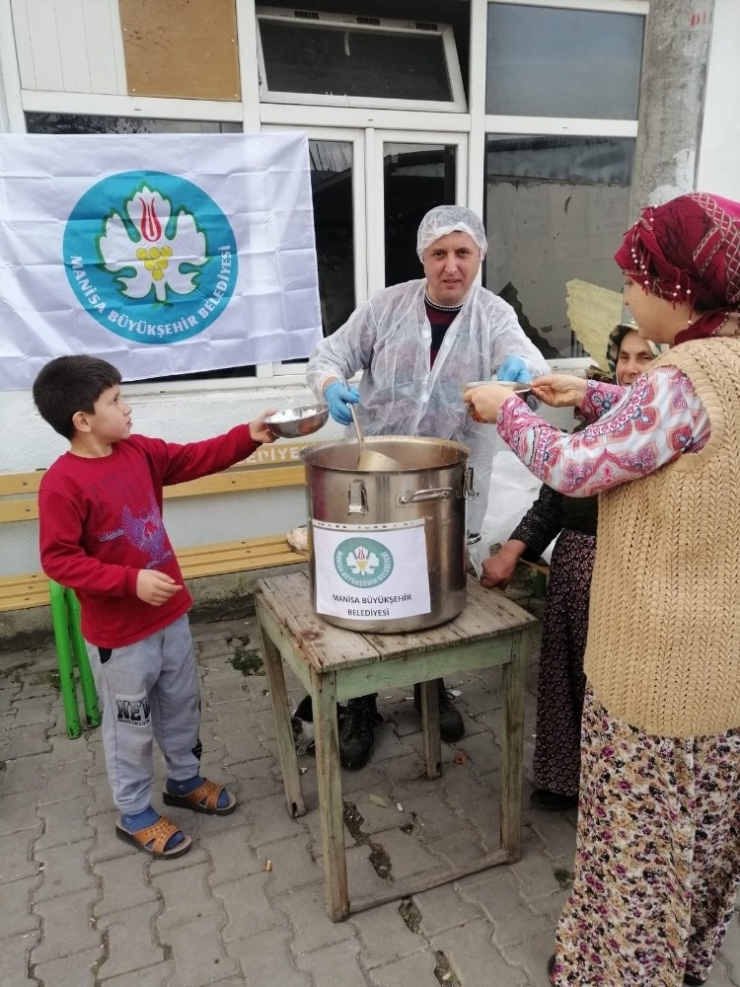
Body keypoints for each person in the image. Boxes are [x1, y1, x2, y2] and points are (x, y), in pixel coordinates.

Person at [464, 192, 740, 987]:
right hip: (721, 677)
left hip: (656, 678)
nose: (625, 294)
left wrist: (507, 408)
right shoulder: (720, 367)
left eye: (635, 278)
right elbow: (686, 436)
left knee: (636, 858)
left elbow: (574, 467)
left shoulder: (679, 378)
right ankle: (675, 965)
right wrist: (586, 393)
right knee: (701, 849)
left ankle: (617, 974)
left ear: (678, 289)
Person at [306, 204, 549, 769]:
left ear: (480, 256)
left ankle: (430, 687)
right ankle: (360, 703)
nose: (451, 266)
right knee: (372, 590)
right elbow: (331, 352)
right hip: (376, 479)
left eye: (463, 253)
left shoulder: (494, 316)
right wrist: (328, 384)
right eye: (439, 253)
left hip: (450, 481)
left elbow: (525, 359)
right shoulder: (388, 307)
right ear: (423, 258)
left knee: (440, 591)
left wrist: (521, 374)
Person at [33, 355, 277, 860]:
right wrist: (128, 582)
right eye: (115, 400)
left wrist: (249, 434)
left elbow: (194, 458)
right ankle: (134, 810)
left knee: (181, 704)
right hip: (119, 635)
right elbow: (59, 560)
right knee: (130, 723)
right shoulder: (63, 483)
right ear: (82, 420)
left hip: (170, 617)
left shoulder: (138, 451)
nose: (128, 408)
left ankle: (184, 781)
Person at [481, 324, 657, 811]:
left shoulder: (665, 435)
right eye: (625, 357)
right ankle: (565, 780)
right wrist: (513, 550)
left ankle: (616, 796)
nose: (632, 368)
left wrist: (509, 413)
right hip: (573, 572)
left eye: (647, 357)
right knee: (565, 683)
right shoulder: (594, 425)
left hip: (628, 578)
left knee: (613, 692)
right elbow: (554, 500)